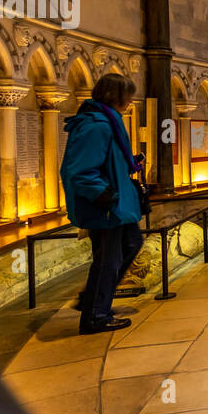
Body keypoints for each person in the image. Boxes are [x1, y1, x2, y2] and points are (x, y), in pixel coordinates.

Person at [60, 73, 147, 334]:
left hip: (117, 204)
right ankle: (95, 316)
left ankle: (92, 300)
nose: (130, 102)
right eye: (127, 97)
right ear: (115, 97)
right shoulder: (97, 125)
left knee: (131, 244)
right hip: (107, 207)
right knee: (108, 259)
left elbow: (103, 160)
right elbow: (80, 171)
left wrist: (128, 161)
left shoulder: (108, 121)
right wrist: (105, 196)